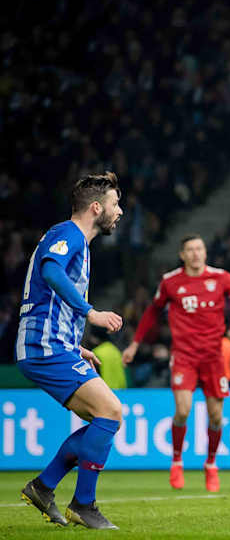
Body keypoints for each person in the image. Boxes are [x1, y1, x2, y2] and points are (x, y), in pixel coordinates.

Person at [17, 172, 124, 529]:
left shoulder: (77, 242)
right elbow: (50, 272)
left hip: (54, 344)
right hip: (43, 347)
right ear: (97, 207)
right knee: (109, 411)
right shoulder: (69, 234)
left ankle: (44, 487)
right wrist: (90, 312)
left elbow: (46, 298)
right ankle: (83, 504)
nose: (119, 211)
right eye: (114, 204)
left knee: (104, 418)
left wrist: (74, 345)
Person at [123, 234, 230, 492]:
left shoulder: (222, 278)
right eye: (189, 250)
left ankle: (211, 465)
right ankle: (177, 461)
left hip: (214, 357)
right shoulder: (171, 282)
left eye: (199, 248)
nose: (195, 253)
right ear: (182, 255)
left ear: (205, 252)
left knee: (216, 416)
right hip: (184, 356)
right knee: (183, 410)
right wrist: (135, 343)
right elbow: (152, 311)